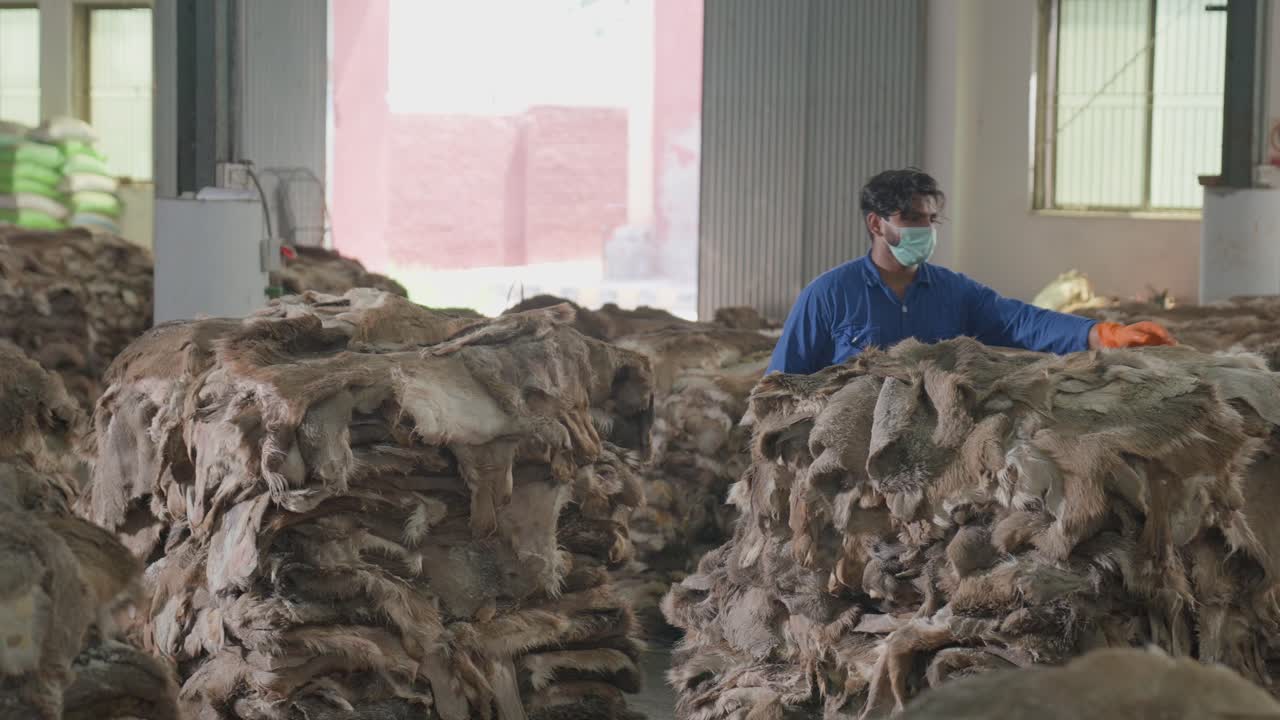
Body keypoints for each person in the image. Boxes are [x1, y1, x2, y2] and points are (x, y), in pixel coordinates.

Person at [767, 168, 1175, 375]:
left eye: (930, 220)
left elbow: (1019, 320)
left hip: (937, 451)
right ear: (877, 224)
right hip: (854, 459)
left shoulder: (953, 292)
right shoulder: (829, 294)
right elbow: (782, 383)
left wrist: (1098, 333)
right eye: (911, 218)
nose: (924, 229)